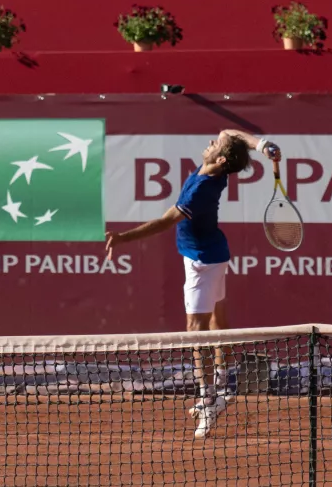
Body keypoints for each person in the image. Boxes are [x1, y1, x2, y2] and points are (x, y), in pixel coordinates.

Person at [104, 130, 282, 439]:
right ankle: (222, 387)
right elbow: (228, 133)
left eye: (216, 145)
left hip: (202, 263)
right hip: (214, 253)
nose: (212, 142)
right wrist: (262, 145)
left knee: (195, 331)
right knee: (217, 324)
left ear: (221, 159)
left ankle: (208, 399)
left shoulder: (200, 189)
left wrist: (122, 238)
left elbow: (164, 222)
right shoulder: (216, 170)